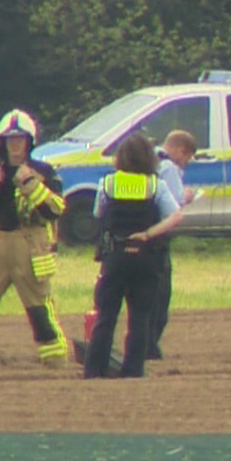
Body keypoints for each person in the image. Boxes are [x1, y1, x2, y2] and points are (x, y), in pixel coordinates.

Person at [0, 109, 69, 367]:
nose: (15, 145)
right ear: (2, 143)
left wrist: (30, 184)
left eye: (20, 140)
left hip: (29, 247)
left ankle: (55, 363)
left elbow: (54, 210)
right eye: (10, 140)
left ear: (30, 142)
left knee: (39, 311)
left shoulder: (44, 172)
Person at [83, 133, 183, 378]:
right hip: (146, 258)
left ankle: (94, 370)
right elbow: (176, 215)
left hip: (115, 256)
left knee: (106, 316)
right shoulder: (154, 184)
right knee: (139, 317)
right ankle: (134, 370)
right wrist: (148, 233)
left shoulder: (108, 184)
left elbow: (98, 214)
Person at [148, 129, 201, 360]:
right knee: (160, 298)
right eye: (187, 157)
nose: (186, 163)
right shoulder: (168, 168)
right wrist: (188, 196)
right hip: (158, 236)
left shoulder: (147, 158)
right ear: (181, 150)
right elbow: (173, 204)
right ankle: (149, 347)